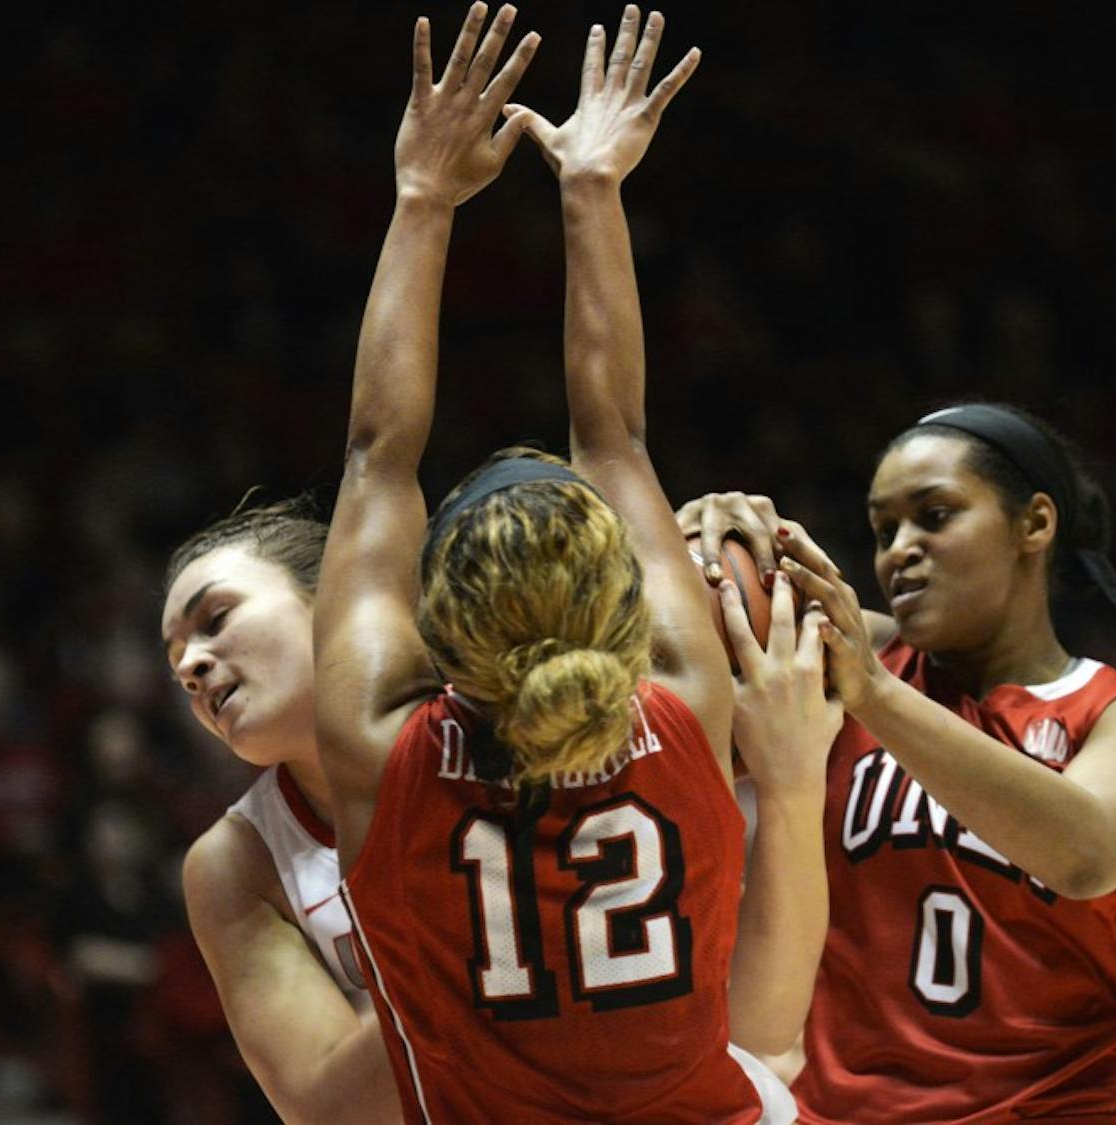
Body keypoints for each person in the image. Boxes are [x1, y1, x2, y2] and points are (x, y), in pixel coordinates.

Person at [311, 5, 833, 1121]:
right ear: (629, 607)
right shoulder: (690, 706)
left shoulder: (378, 750)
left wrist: (420, 199)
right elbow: (618, 437)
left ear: (434, 626)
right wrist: (591, 189)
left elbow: (374, 458)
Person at [679, 402, 1116, 1121]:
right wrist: (702, 539)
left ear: (1036, 524)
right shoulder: (849, 660)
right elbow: (667, 669)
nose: (900, 548)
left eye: (934, 515)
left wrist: (875, 691)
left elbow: (1086, 853)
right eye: (883, 528)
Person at [160, 499, 401, 1124]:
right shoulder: (235, 863)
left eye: (215, 619)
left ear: (337, 597)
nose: (190, 667)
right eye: (176, 659)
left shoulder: (516, 725)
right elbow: (336, 1111)